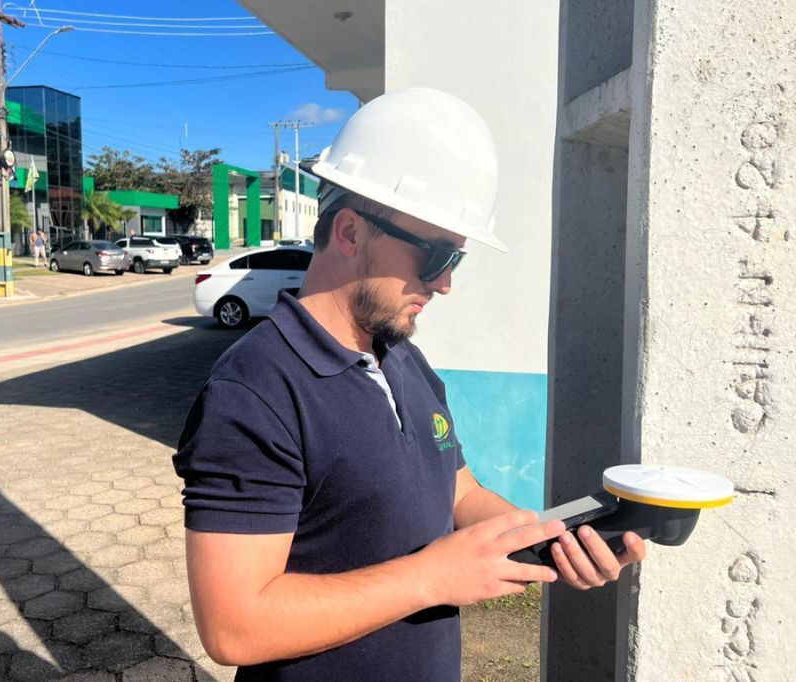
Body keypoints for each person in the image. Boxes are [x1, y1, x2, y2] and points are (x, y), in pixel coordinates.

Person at [173, 88, 645, 681]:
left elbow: (457, 494)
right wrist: (431, 577)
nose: (445, 285)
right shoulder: (254, 392)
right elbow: (233, 626)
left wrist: (553, 539)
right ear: (349, 232)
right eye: (436, 257)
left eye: (457, 261)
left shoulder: (401, 358)